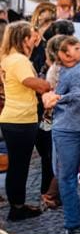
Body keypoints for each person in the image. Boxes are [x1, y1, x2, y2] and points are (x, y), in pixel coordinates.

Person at [42, 35, 80, 234]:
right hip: (67, 129)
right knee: (68, 177)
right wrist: (51, 97)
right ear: (57, 54)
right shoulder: (58, 71)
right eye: (64, 51)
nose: (70, 54)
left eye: (73, 48)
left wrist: (58, 98)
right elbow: (51, 94)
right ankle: (73, 222)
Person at [0, 22, 53, 220]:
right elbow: (30, 83)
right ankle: (17, 208)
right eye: (32, 37)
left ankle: (17, 204)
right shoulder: (19, 60)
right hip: (21, 119)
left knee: (17, 165)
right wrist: (47, 84)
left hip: (13, 117)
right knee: (19, 166)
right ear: (23, 38)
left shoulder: (8, 58)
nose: (35, 40)